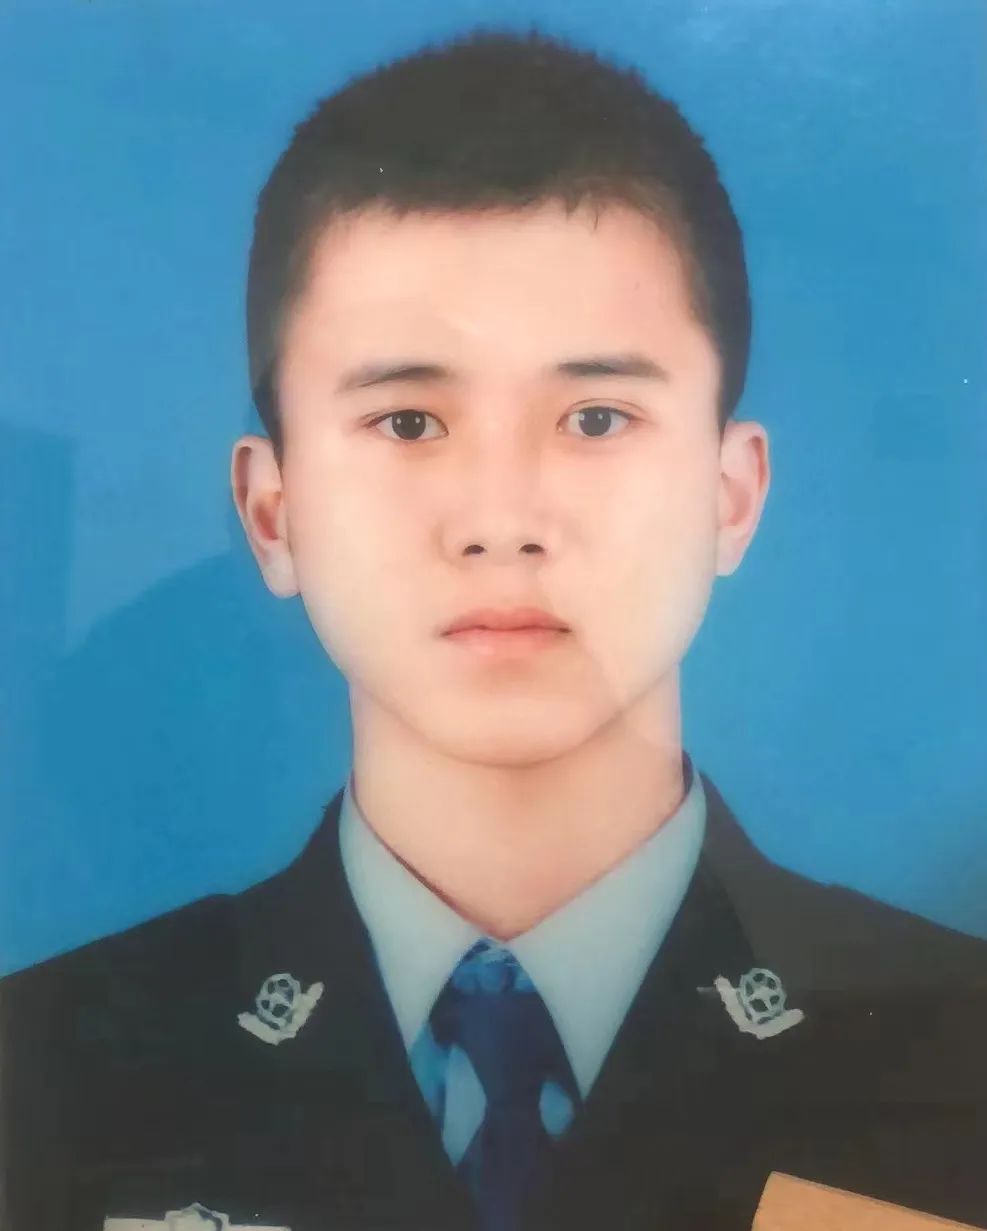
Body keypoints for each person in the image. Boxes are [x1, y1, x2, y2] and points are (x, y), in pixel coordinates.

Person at [2, 28, 985, 1231]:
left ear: (731, 496)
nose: (503, 521)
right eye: (409, 422)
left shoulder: (960, 1060)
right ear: (273, 512)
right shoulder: (44, 1076)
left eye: (596, 417)